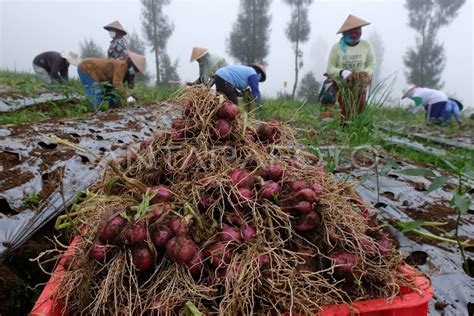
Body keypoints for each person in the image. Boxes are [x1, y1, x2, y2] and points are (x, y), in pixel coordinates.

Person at [326, 14, 376, 123]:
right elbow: (330, 68)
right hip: (342, 85)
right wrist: (342, 72)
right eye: (351, 30)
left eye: (358, 29)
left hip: (360, 84)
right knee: (346, 110)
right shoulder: (337, 47)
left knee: (360, 109)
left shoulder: (366, 45)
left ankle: (357, 131)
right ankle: (344, 133)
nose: (355, 33)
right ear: (345, 33)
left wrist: (365, 73)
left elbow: (371, 64)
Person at [77, 52, 145, 109]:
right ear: (132, 64)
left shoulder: (126, 70)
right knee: (96, 94)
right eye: (135, 69)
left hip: (92, 71)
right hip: (86, 68)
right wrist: (128, 97)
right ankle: (90, 113)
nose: (135, 71)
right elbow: (117, 85)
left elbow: (112, 87)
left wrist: (132, 95)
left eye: (137, 70)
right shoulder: (122, 65)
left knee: (112, 95)